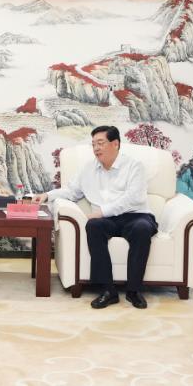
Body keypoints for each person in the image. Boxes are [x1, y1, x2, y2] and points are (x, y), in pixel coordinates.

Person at [35, 126, 157, 309]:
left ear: (115, 144)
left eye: (100, 143)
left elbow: (134, 198)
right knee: (93, 226)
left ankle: (134, 291)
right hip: (106, 220)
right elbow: (72, 191)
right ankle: (107, 291)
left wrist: (102, 212)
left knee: (142, 229)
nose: (96, 148)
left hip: (135, 216)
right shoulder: (88, 169)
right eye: (93, 144)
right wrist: (47, 195)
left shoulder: (134, 166)